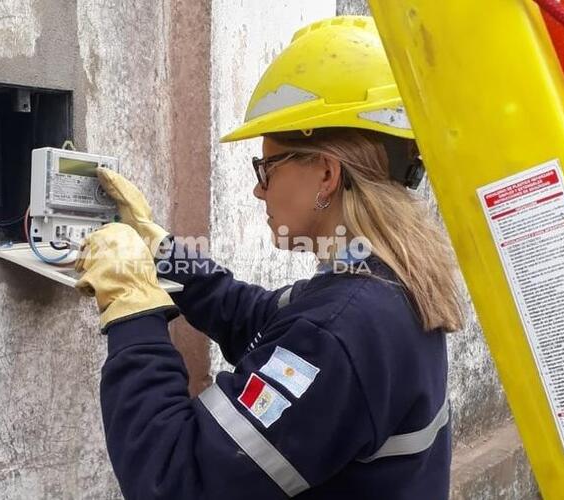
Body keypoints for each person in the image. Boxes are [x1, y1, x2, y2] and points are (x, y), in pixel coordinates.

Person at [75, 15, 464, 500]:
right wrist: (163, 253)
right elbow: (264, 321)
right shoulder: (382, 282)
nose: (258, 190)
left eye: (267, 167)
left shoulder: (341, 329)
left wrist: (132, 309)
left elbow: (176, 478)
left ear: (326, 174)